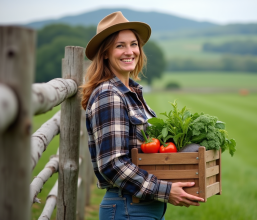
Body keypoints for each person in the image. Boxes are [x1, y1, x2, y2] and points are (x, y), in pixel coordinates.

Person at [80, 11, 204, 220]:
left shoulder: (132, 92)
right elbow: (112, 164)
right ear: (105, 53)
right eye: (120, 46)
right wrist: (165, 190)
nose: (129, 51)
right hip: (128, 208)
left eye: (133, 44)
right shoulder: (109, 95)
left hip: (141, 208)